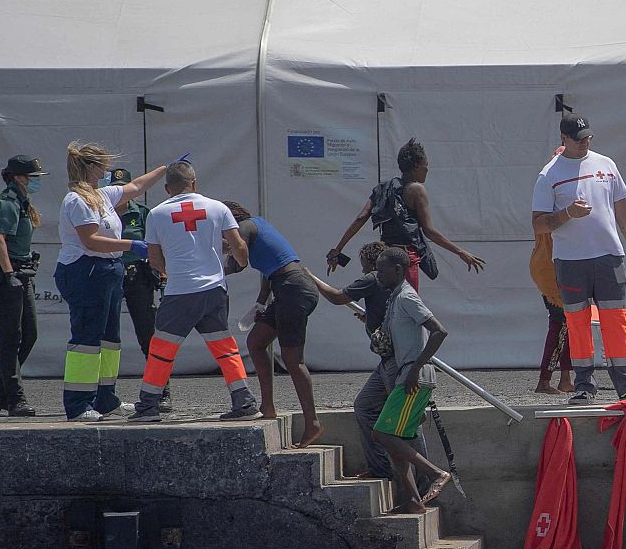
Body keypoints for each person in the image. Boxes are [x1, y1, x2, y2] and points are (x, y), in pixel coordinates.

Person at [531, 115, 626, 405]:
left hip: (609, 256)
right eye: (578, 138)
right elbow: (538, 225)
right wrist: (567, 213)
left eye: (588, 137)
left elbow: (623, 210)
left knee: (617, 322)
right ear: (563, 138)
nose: (585, 142)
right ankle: (584, 385)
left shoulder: (606, 164)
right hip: (570, 261)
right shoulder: (549, 174)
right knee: (577, 323)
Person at [128, 161, 257, 422]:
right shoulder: (217, 208)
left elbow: (154, 258)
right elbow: (239, 246)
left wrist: (168, 272)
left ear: (167, 189)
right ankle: (244, 402)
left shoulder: (157, 214)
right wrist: (240, 264)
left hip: (180, 292)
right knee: (225, 348)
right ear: (194, 183)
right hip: (214, 291)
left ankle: (149, 407)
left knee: (161, 351)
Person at [54, 142, 170, 421]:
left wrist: (166, 168)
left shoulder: (102, 195)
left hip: (107, 270)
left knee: (109, 340)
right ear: (92, 168)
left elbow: (136, 186)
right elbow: (90, 240)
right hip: (86, 270)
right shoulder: (77, 200)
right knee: (86, 340)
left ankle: (106, 398)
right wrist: (131, 244)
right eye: (103, 165)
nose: (107, 170)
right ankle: (78, 404)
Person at [307, 242, 432, 481]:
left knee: (408, 424)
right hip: (387, 362)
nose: (365, 273)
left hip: (398, 363)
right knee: (365, 406)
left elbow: (336, 297)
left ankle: (424, 482)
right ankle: (381, 469)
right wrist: (369, 317)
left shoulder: (377, 280)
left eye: (367, 268)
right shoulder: (392, 287)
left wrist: (310, 276)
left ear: (382, 267)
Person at [326, 138, 485, 289]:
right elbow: (428, 231)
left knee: (386, 306)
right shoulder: (416, 189)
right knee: (406, 306)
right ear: (416, 166)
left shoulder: (382, 188)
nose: (427, 169)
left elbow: (360, 218)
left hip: (384, 258)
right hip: (404, 259)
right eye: (426, 165)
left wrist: (337, 249)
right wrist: (460, 252)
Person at [227, 201, 322, 446]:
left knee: (293, 360)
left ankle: (312, 423)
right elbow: (271, 271)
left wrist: (207, 263)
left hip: (294, 288)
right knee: (256, 342)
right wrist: (260, 305)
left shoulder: (247, 226)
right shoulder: (259, 226)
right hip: (287, 287)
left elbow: (239, 260)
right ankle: (267, 405)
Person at [368, 247, 452, 514]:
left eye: (382, 270)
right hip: (409, 375)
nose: (377, 274)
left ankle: (437, 473)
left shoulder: (406, 297)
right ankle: (414, 502)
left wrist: (416, 368)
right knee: (396, 441)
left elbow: (439, 331)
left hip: (414, 379)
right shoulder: (394, 298)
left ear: (398, 270)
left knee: (381, 433)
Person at [110, 167, 173, 413]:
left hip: (138, 277)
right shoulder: (101, 212)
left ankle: (162, 391)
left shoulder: (143, 213)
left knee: (149, 336)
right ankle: (103, 395)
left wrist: (163, 273)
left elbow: (158, 246)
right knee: (106, 336)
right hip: (110, 274)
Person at [0, 156, 44, 416]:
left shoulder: (22, 202)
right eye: (33, 177)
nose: (36, 181)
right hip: (8, 276)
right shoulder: (8, 202)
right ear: (18, 177)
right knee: (11, 337)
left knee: (29, 334)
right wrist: (9, 273)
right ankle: (15, 398)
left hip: (21, 274)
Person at [531, 146, 573, 395]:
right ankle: (545, 380)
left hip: (546, 265)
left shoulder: (549, 196)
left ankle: (565, 378)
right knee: (560, 325)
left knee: (568, 325)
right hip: (552, 268)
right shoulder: (558, 199)